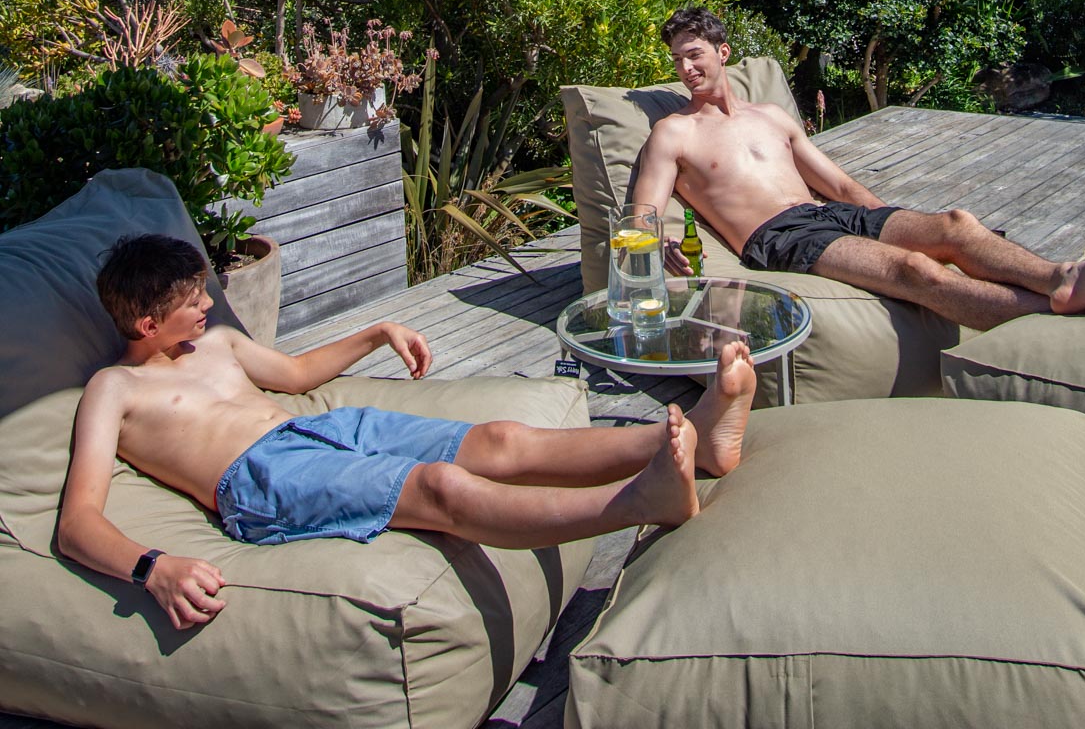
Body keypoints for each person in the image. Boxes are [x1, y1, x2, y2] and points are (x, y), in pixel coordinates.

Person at [59, 234, 757, 631]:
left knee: (498, 442)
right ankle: (637, 503)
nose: (210, 305)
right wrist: (155, 569)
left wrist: (377, 331)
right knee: (441, 485)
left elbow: (297, 374)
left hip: (323, 428)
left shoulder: (214, 343)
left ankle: (698, 433)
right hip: (261, 481)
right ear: (147, 323)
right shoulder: (114, 391)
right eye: (192, 302)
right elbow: (78, 523)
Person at [632, 6, 1085, 333]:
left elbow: (838, 185)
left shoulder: (771, 117)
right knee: (915, 270)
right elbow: (641, 217)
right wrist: (661, 243)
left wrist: (894, 223)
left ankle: (1062, 278)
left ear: (723, 52)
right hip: (779, 236)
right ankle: (1068, 318)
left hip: (831, 214)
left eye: (695, 54)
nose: (686, 68)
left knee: (954, 225)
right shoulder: (674, 133)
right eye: (677, 60)